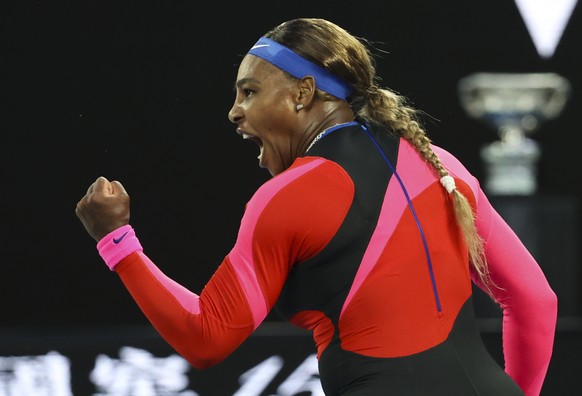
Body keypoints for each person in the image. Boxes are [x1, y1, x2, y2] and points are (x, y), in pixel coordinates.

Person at [76, 17, 558, 396]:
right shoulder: (444, 167)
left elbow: (207, 338)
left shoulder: (289, 195)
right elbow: (536, 303)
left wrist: (116, 241)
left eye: (249, 91)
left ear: (303, 93)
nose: (235, 111)